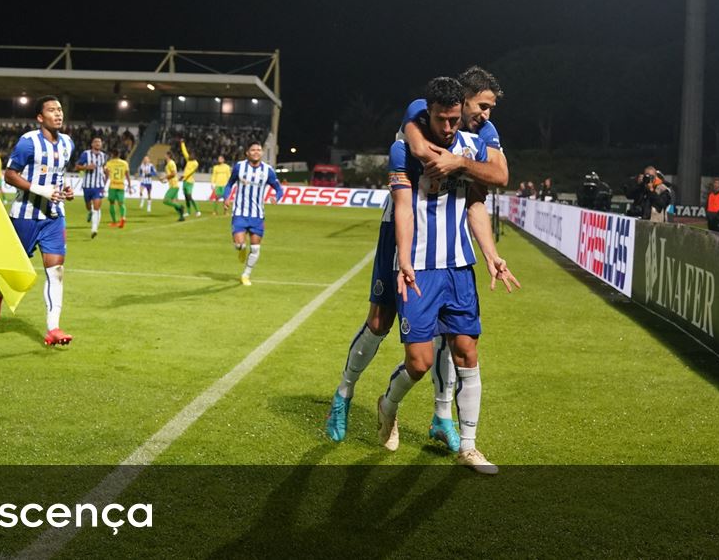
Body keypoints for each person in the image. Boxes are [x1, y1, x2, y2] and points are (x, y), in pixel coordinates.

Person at [326, 66, 510, 448]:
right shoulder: (421, 113)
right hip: (399, 231)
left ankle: (442, 415)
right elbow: (415, 146)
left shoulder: (483, 134)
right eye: (483, 107)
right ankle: (344, 394)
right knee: (379, 322)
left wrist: (459, 163)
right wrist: (427, 149)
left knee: (449, 335)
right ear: (462, 100)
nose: (486, 115)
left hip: (448, 248)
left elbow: (497, 176)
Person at [376, 76, 518, 475]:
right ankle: (388, 404)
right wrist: (403, 258)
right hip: (419, 266)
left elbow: (476, 205)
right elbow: (403, 207)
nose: (450, 127)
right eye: (442, 119)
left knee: (467, 354)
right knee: (419, 363)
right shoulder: (404, 149)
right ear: (430, 114)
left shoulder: (473, 147)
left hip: (458, 267)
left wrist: (490, 255)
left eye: (455, 119)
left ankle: (469, 447)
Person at [0, 95, 75, 346]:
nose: (58, 114)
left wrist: (65, 190)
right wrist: (40, 190)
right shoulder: (28, 143)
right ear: (40, 117)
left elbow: (59, 176)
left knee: (56, 271)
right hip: (25, 215)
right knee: (15, 267)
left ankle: (53, 328)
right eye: (51, 110)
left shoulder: (68, 143)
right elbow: (10, 175)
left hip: (54, 217)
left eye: (60, 109)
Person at [222, 141, 284, 286]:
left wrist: (277, 197)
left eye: (259, 150)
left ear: (261, 153)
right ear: (247, 153)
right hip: (240, 213)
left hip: (257, 215)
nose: (256, 152)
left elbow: (279, 188)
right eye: (253, 150)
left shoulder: (268, 170)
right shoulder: (240, 167)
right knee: (239, 244)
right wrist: (226, 197)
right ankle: (241, 248)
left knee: (255, 248)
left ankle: (246, 275)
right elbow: (229, 184)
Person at [76, 137, 107, 238]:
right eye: (96, 142)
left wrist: (105, 180)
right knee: (89, 206)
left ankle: (94, 229)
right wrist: (86, 167)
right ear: (92, 144)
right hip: (87, 186)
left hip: (98, 186)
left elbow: (105, 169)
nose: (98, 143)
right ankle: (90, 212)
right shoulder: (86, 154)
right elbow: (77, 167)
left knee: (97, 207)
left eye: (100, 142)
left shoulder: (104, 156)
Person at [104, 148, 131, 229]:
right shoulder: (124, 163)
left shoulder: (109, 163)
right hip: (121, 186)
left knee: (112, 203)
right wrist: (129, 185)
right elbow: (127, 175)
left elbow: (107, 175)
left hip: (112, 186)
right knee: (121, 203)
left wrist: (104, 185)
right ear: (119, 155)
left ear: (112, 155)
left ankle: (114, 222)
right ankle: (123, 218)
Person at [161, 150, 186, 221]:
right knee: (174, 202)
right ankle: (181, 217)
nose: (164, 156)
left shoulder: (171, 163)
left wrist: (164, 177)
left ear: (168, 155)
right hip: (173, 184)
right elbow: (172, 175)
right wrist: (165, 180)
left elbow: (173, 173)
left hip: (174, 185)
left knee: (166, 200)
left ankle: (181, 207)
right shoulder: (169, 164)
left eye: (165, 155)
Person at [179, 141, 202, 217]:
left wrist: (184, 176)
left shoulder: (196, 163)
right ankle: (188, 212)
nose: (189, 156)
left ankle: (198, 211)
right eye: (190, 154)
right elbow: (184, 151)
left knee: (189, 196)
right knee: (186, 197)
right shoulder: (188, 160)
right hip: (185, 181)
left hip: (190, 182)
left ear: (194, 156)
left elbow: (191, 172)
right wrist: (182, 143)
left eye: (191, 155)